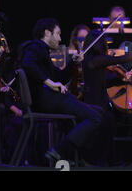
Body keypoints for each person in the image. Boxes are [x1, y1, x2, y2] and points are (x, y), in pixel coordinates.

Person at [21, 18, 104, 165]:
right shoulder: (34, 46)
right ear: (47, 33)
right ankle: (60, 151)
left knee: (100, 113)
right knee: (95, 117)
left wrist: (73, 63)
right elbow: (28, 64)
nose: (60, 38)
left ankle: (76, 157)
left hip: (49, 99)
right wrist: (49, 82)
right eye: (58, 34)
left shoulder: (43, 52)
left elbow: (58, 77)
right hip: (44, 100)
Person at [80, 29, 132, 165]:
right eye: (104, 43)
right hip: (95, 102)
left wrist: (123, 80)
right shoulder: (93, 59)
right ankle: (101, 160)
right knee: (105, 129)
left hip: (100, 101)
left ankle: (108, 160)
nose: (106, 46)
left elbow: (106, 82)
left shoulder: (94, 61)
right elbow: (121, 59)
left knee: (109, 128)